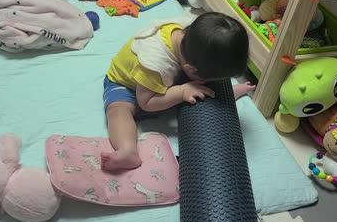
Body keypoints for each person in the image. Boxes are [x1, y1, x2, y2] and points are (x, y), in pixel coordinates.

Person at [101, 12, 255, 171]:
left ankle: (225, 93)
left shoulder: (193, 34)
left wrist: (223, 92)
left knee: (198, 86)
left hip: (164, 77)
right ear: (190, 69)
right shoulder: (155, 63)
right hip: (128, 85)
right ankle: (127, 151)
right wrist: (181, 92)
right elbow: (146, 102)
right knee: (118, 111)